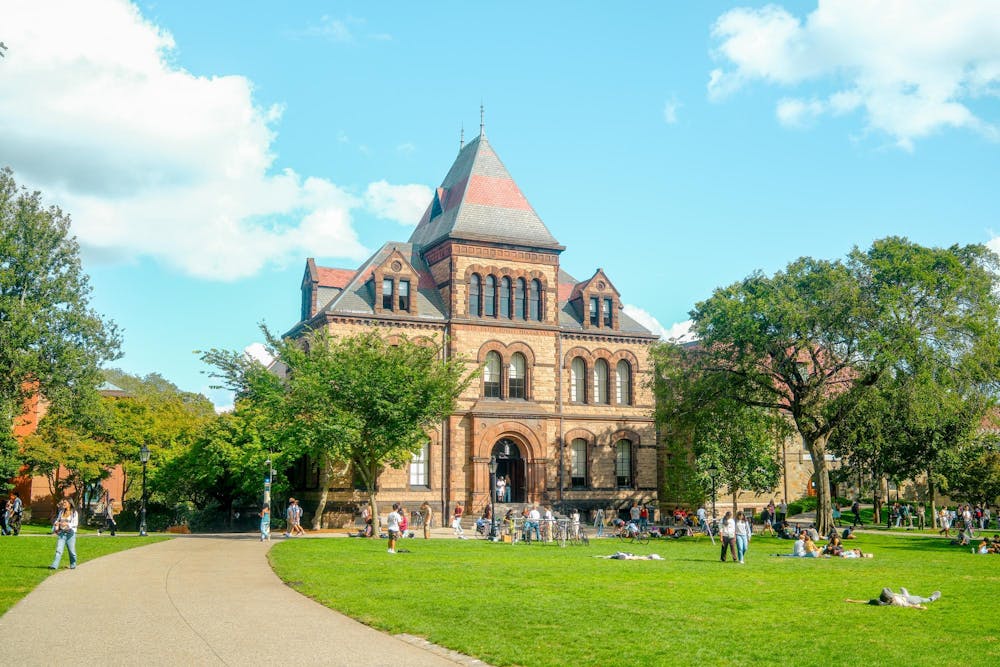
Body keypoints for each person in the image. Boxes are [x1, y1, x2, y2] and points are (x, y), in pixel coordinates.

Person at [50, 499, 79, 570]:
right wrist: (56, 524)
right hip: (62, 534)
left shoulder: (74, 513)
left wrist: (67, 524)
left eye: (65, 502)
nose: (63, 504)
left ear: (69, 503)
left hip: (70, 534)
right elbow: (58, 520)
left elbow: (75, 524)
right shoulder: (61, 512)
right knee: (58, 550)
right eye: (63, 502)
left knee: (72, 552)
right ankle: (54, 565)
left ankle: (73, 564)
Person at [846, 588, 941, 609]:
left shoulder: (880, 601)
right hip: (909, 600)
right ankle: (934, 597)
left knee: (904, 593)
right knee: (921, 599)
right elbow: (909, 606)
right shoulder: (897, 603)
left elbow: (865, 602)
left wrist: (851, 600)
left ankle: (905, 593)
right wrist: (919, 607)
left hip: (903, 597)